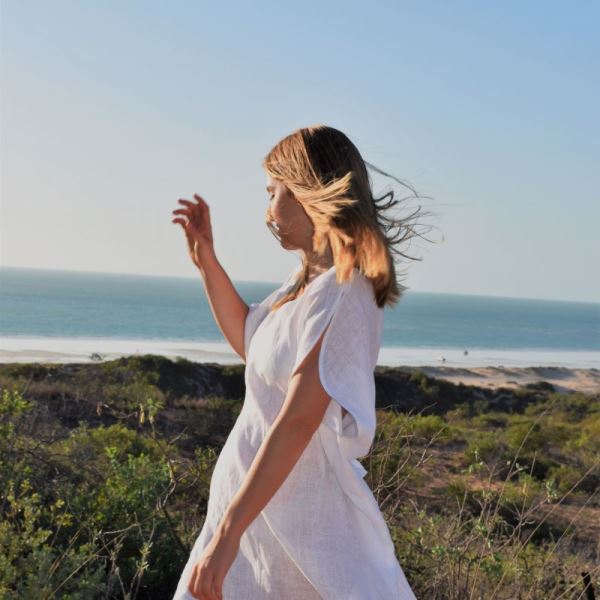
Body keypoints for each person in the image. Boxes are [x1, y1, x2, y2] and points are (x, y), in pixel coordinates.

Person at [171, 125, 424, 599]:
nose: (267, 209)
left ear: (308, 191)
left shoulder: (344, 292)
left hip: (303, 530)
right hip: (257, 520)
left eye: (273, 192)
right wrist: (206, 259)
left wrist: (227, 536)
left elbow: (299, 419)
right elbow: (254, 347)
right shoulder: (303, 285)